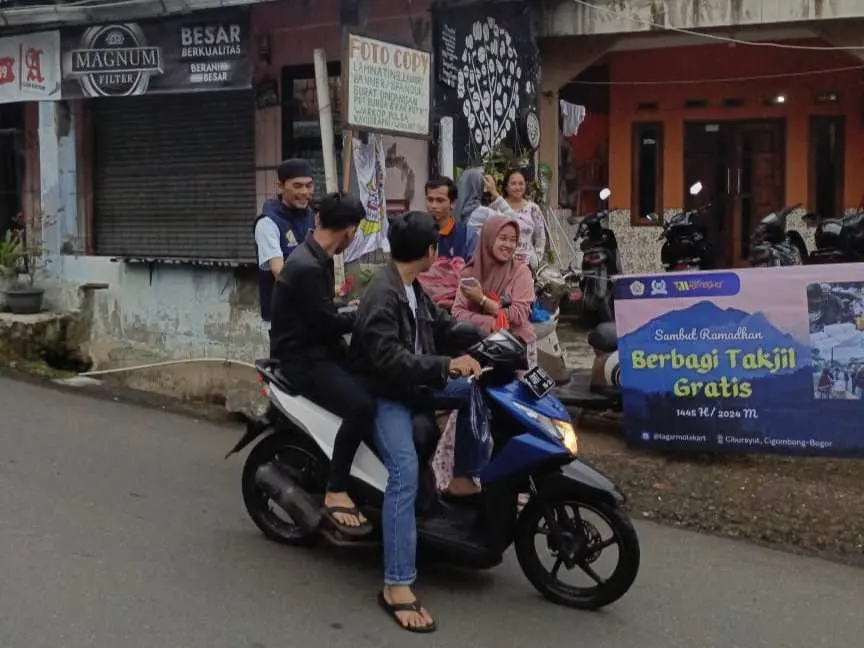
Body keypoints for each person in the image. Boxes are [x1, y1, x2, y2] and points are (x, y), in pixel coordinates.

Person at [350, 211, 486, 633]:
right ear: (428, 250)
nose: (438, 251)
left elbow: (440, 325)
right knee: (405, 473)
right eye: (436, 245)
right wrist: (447, 365)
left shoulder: (410, 287)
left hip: (414, 385)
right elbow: (390, 362)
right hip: (388, 395)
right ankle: (396, 584)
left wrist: (484, 335)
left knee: (479, 392)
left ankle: (461, 478)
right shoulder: (383, 295)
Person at [270, 192, 374, 537]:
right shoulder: (308, 266)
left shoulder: (317, 256)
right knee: (361, 407)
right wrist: (361, 314)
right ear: (349, 231)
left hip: (319, 348)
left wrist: (349, 309)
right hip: (303, 359)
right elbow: (325, 323)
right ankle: (336, 488)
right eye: (356, 231)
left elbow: (322, 311)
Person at [452, 216, 538, 367]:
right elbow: (458, 313)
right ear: (489, 239)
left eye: (513, 240)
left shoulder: (520, 272)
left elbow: (519, 314)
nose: (509, 245)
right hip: (478, 349)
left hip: (516, 350)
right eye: (503, 238)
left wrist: (482, 301)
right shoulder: (470, 273)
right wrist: (490, 322)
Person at [254, 159, 316, 333]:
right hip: (282, 318)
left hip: (309, 312)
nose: (305, 192)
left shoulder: (310, 216)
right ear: (280, 187)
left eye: (309, 185)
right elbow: (279, 272)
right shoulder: (268, 223)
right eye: (297, 186)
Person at [467, 169, 547, 267]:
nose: (518, 187)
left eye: (521, 184)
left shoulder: (533, 208)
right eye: (513, 184)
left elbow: (540, 237)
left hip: (528, 264)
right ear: (506, 187)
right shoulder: (495, 207)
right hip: (501, 264)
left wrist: (537, 259)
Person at [424, 176, 478, 262]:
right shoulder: (417, 233)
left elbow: (473, 267)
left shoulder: (468, 235)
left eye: (440, 200)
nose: (433, 206)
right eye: (430, 200)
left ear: (453, 203)